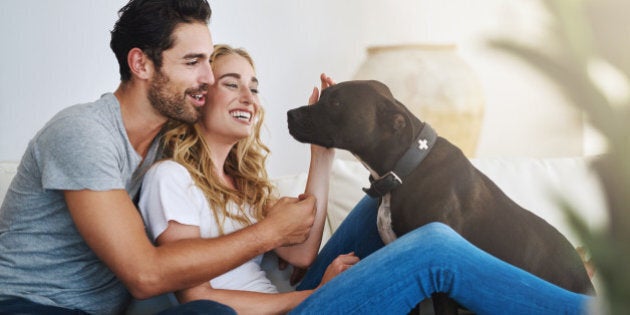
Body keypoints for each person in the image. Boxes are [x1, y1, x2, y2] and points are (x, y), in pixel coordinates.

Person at [139, 45, 596, 314]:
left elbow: (300, 252)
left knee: (380, 200)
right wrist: (311, 297)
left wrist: (322, 149)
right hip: (287, 310)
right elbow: (197, 295)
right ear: (200, 97)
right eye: (231, 83)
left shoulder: (242, 180)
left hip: (299, 297)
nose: (249, 97)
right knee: (434, 244)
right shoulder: (170, 178)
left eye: (254, 86)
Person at [0, 1, 316, 314]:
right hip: (25, 305)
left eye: (208, 62)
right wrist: (270, 233)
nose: (208, 77)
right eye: (193, 62)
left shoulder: (166, 146)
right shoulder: (83, 133)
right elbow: (145, 275)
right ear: (141, 64)